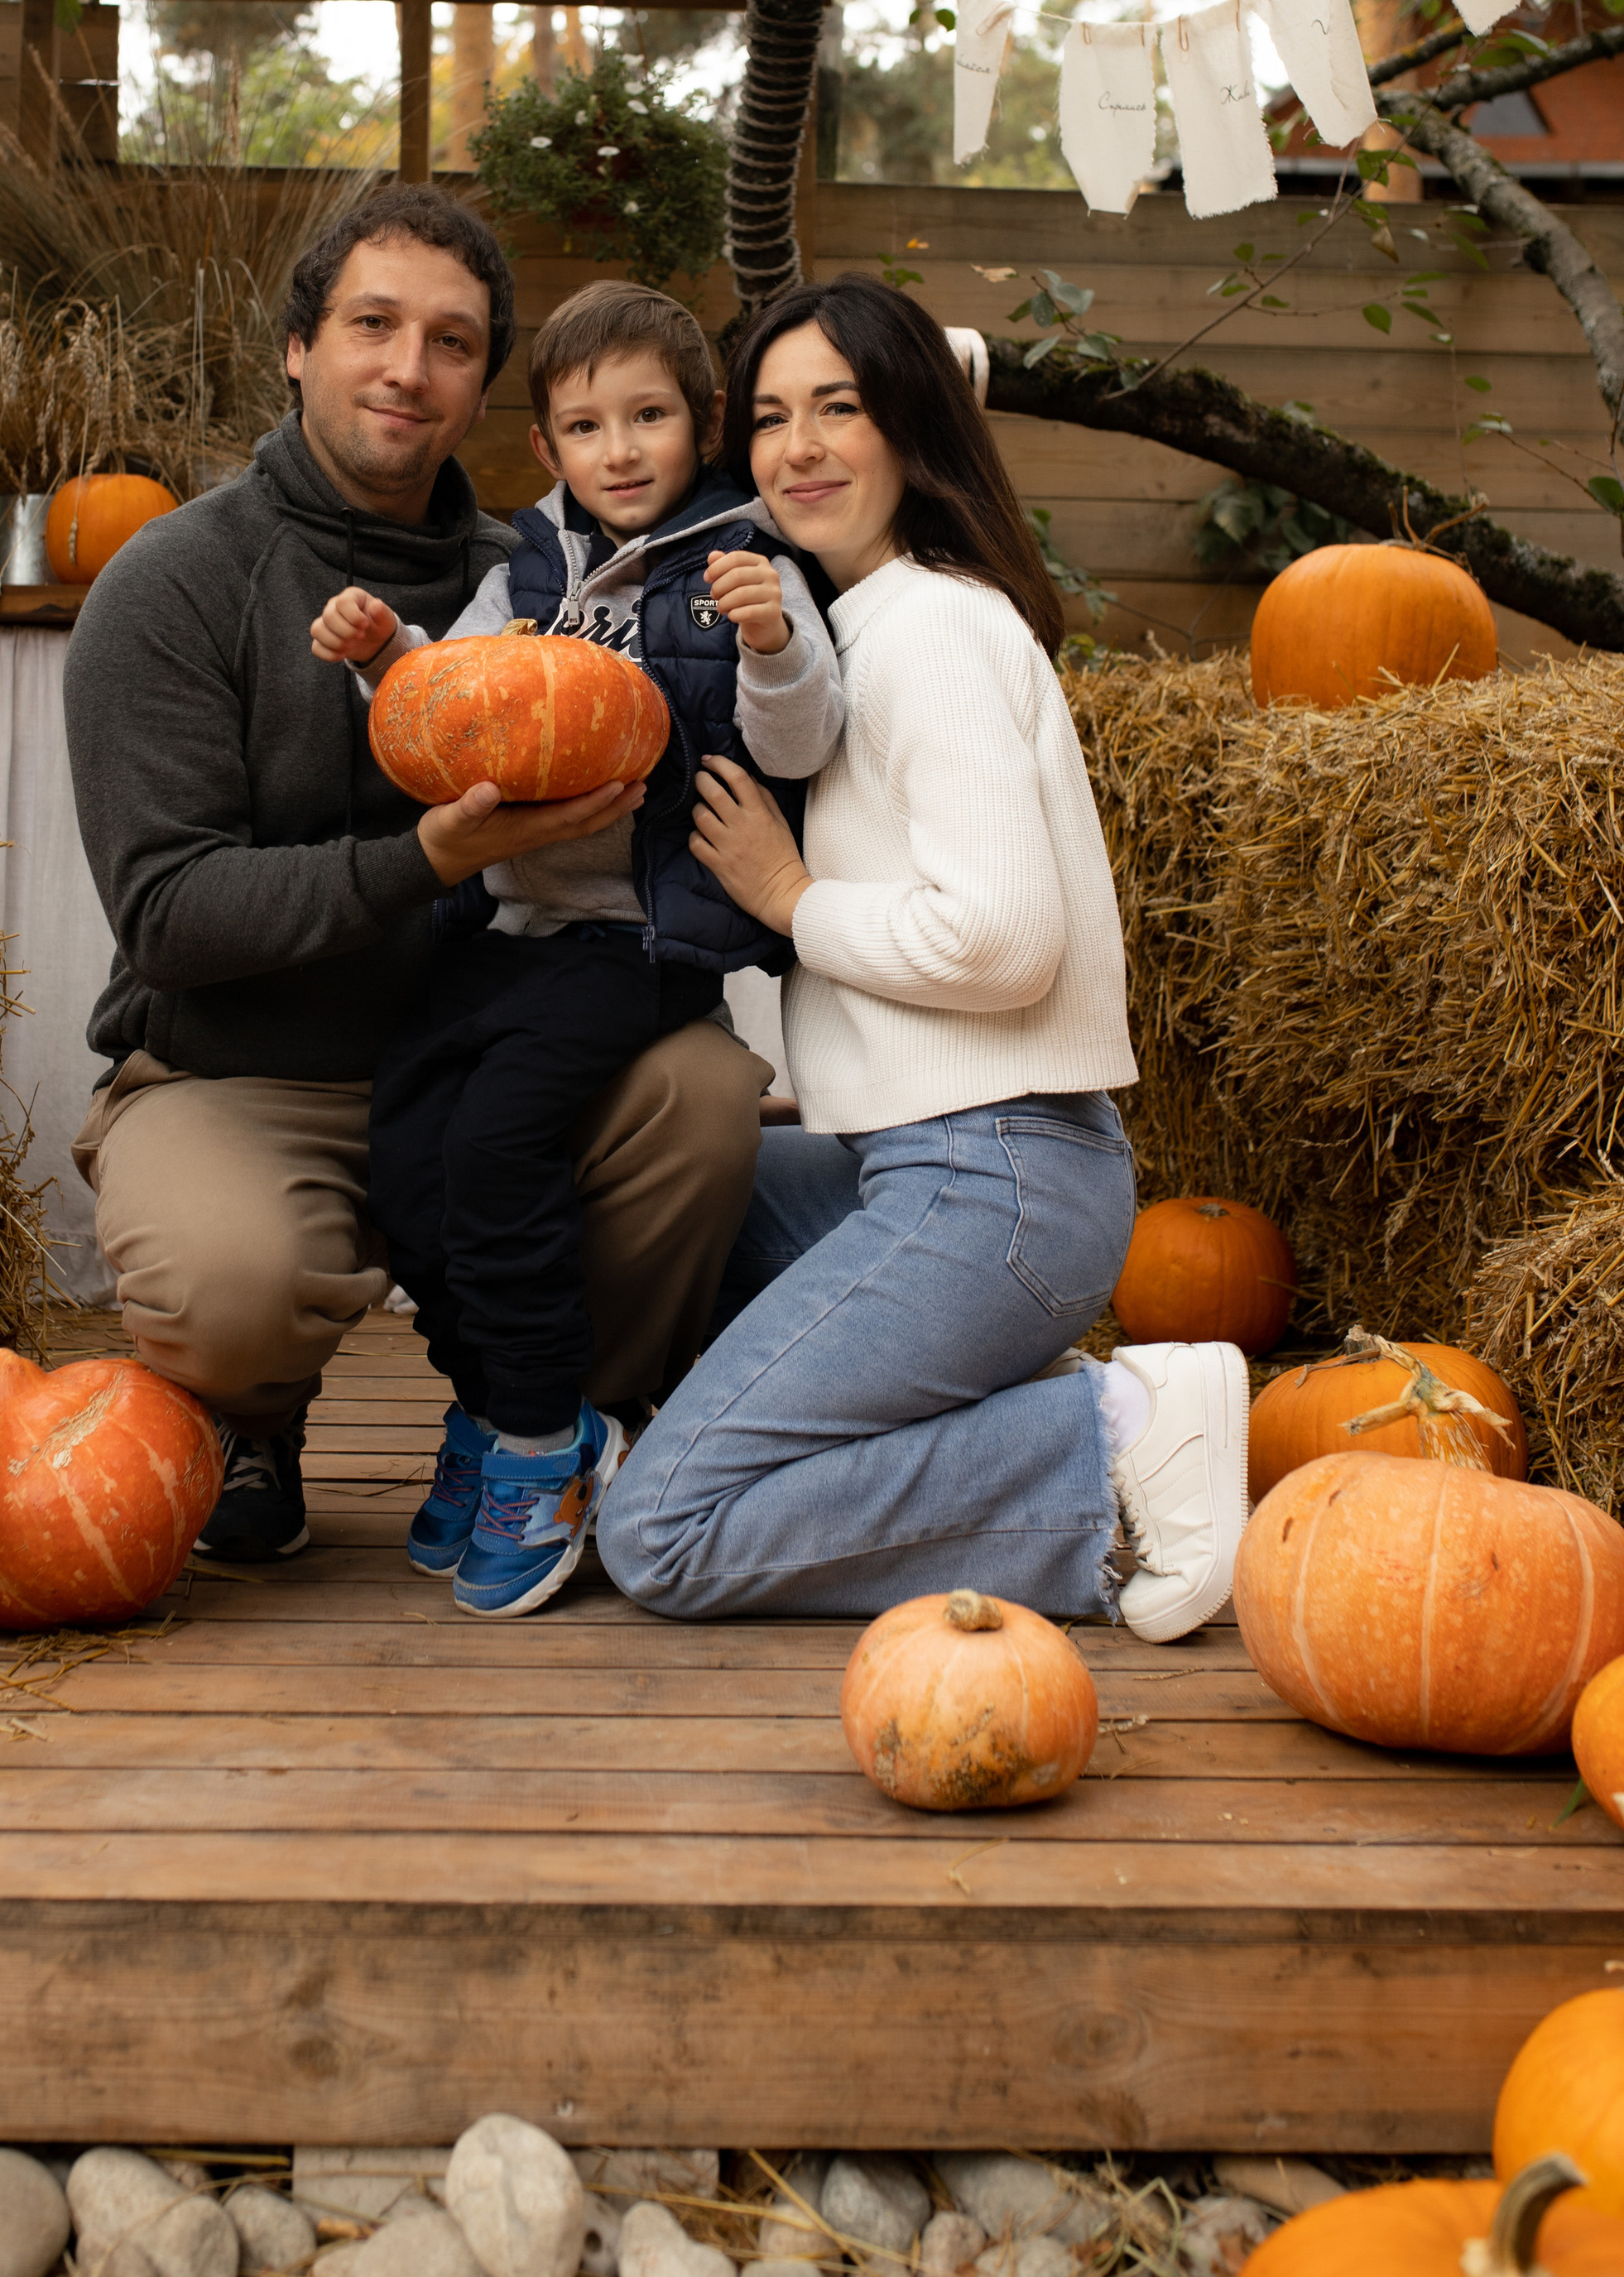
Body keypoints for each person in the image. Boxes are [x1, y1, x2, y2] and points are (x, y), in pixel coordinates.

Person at [61, 185, 771, 1564]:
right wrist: (424, 859)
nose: (408, 367)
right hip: (248, 1071)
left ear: (484, 388)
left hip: (497, 1047)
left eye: (451, 342)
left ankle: (540, 1415)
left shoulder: (545, 577)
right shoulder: (173, 582)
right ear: (298, 347)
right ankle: (247, 1415)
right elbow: (168, 915)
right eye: (372, 325)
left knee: (703, 1096)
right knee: (229, 1285)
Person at [597, 275, 1249, 1642]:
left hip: (995, 1178)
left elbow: (1005, 941)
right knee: (658, 1186)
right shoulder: (845, 629)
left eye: (840, 408)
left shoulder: (935, 629)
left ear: (910, 428)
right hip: (922, 1163)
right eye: (770, 418)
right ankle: (796, 1432)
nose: (800, 448)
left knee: (663, 1533)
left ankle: (1102, 1443)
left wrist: (792, 898)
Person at [309, 281, 843, 1616]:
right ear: (547, 447)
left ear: (701, 421)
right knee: (408, 1149)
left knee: (498, 1150)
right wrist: (387, 658)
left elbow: (801, 743)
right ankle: (493, 1407)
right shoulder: (526, 571)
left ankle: (546, 1438)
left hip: (632, 941)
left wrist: (771, 642)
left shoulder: (747, 562)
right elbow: (453, 709)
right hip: (502, 925)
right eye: (588, 427)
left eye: (648, 418)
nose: (621, 450)